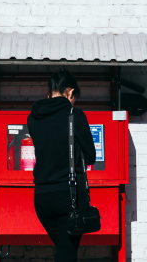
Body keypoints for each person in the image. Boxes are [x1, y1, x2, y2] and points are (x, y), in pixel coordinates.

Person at [27, 70, 96, 262]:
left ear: (49, 92)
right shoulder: (75, 115)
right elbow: (90, 156)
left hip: (42, 198)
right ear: (70, 92)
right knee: (67, 253)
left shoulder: (33, 118)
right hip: (69, 197)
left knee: (64, 250)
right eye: (74, 98)